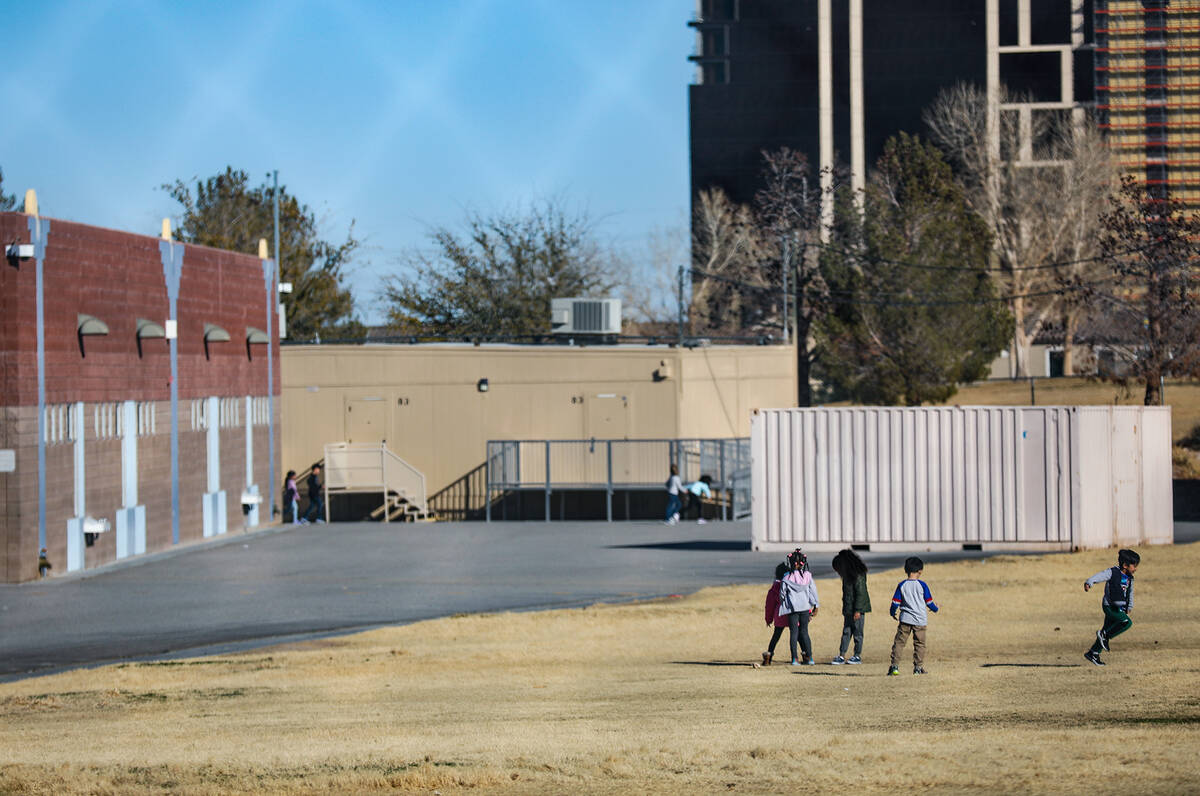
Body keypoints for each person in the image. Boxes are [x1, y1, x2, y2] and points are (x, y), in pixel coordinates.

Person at [1083, 548, 1140, 666]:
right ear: (1125, 565)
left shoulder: (1130, 578)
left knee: (1106, 629)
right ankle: (1105, 636)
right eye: (1134, 566)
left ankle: (1093, 653)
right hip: (1109, 606)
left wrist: (1129, 606)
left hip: (1120, 608)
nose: (1136, 569)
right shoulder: (1113, 572)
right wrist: (1090, 582)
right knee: (1126, 622)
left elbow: (1130, 592)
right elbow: (1100, 576)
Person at [888, 556, 939, 676]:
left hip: (905, 619)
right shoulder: (922, 585)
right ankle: (918, 667)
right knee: (919, 644)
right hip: (920, 620)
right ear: (920, 571)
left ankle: (894, 666)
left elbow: (895, 602)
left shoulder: (902, 585)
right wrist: (936, 609)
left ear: (906, 570)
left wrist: (892, 612)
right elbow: (929, 602)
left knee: (899, 643)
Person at [778, 548, 820, 666]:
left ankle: (794, 659)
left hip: (793, 609)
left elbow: (782, 594)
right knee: (805, 632)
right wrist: (816, 604)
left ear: (791, 563)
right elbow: (813, 591)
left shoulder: (786, 578)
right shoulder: (807, 576)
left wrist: (783, 602)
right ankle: (810, 657)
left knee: (794, 633)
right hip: (805, 608)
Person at [830, 549, 870, 665]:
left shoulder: (858, 576)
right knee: (846, 632)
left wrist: (857, 610)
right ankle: (842, 655)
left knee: (858, 633)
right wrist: (846, 610)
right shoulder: (847, 576)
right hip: (848, 610)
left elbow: (860, 594)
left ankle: (857, 655)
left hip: (858, 610)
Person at [761, 561, 790, 666]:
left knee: (776, 636)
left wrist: (768, 620)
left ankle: (768, 657)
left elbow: (769, 606)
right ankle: (804, 656)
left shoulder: (774, 588)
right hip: (793, 614)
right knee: (798, 636)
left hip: (780, 615)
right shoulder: (793, 585)